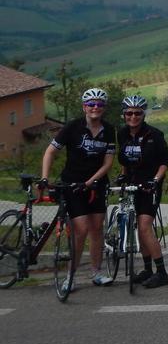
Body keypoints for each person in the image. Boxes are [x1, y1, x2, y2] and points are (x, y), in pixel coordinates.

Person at [40, 87, 116, 288]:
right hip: (72, 184)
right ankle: (70, 276)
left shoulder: (108, 130)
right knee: (80, 230)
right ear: (84, 107)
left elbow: (108, 163)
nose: (95, 108)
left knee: (97, 228)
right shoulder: (72, 127)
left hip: (96, 184)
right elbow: (50, 152)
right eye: (91, 104)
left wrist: (91, 182)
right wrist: (45, 178)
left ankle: (96, 272)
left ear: (104, 108)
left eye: (99, 105)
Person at [117, 94, 168, 288]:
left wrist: (155, 180)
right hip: (132, 185)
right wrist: (123, 175)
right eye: (129, 113)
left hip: (150, 185)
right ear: (124, 115)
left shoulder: (154, 134)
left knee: (144, 226)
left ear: (143, 114)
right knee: (138, 229)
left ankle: (162, 272)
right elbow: (123, 160)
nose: (133, 117)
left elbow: (166, 161)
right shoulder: (122, 134)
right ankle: (148, 269)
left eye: (138, 113)